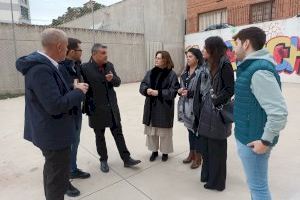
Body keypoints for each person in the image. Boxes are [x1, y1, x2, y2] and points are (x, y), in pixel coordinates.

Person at [16, 28, 89, 200]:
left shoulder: (47, 65)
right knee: (57, 179)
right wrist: (78, 92)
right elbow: (55, 105)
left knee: (52, 172)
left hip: (51, 131)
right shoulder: (41, 69)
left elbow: (51, 93)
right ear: (59, 46)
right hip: (53, 135)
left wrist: (70, 87)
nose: (66, 51)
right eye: (65, 48)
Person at [233, 27, 288, 200]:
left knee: (259, 189)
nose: (234, 49)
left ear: (247, 43)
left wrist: (265, 141)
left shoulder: (259, 71)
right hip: (247, 135)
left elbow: (279, 113)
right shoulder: (250, 68)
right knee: (255, 186)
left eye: (237, 44)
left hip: (254, 141)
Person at [81, 43, 141, 173]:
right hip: (96, 109)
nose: (106, 55)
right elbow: (82, 87)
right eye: (103, 53)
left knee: (118, 133)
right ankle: (103, 160)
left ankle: (126, 159)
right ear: (94, 54)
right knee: (99, 136)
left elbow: (118, 82)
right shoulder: (84, 68)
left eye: (106, 52)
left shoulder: (109, 65)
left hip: (111, 107)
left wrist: (112, 79)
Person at [194, 36, 234, 191]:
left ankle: (217, 183)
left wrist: (215, 101)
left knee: (217, 149)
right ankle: (207, 175)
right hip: (206, 111)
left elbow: (230, 89)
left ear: (213, 49)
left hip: (217, 114)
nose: (203, 49)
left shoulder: (225, 65)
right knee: (206, 148)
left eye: (206, 47)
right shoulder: (208, 63)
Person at [59, 38, 90, 197]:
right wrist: (74, 87)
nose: (81, 53)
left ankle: (72, 169)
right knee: (66, 146)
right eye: (80, 50)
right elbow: (58, 91)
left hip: (76, 110)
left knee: (75, 142)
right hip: (66, 113)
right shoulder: (59, 67)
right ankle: (63, 181)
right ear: (71, 51)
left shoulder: (75, 65)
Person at [140, 51, 179, 162]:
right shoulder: (150, 72)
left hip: (164, 108)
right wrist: (146, 90)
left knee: (164, 133)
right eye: (156, 58)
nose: (156, 60)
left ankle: (165, 152)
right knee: (152, 132)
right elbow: (142, 85)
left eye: (159, 58)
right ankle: (154, 151)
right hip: (151, 107)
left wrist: (159, 93)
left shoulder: (172, 74)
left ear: (165, 60)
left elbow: (173, 91)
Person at [178, 48, 204, 169]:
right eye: (187, 56)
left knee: (197, 132)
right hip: (186, 107)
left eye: (190, 56)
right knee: (190, 131)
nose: (187, 59)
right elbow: (182, 87)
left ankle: (198, 157)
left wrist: (189, 93)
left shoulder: (203, 71)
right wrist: (180, 91)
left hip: (197, 107)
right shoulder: (185, 72)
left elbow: (204, 91)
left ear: (197, 58)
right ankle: (191, 154)